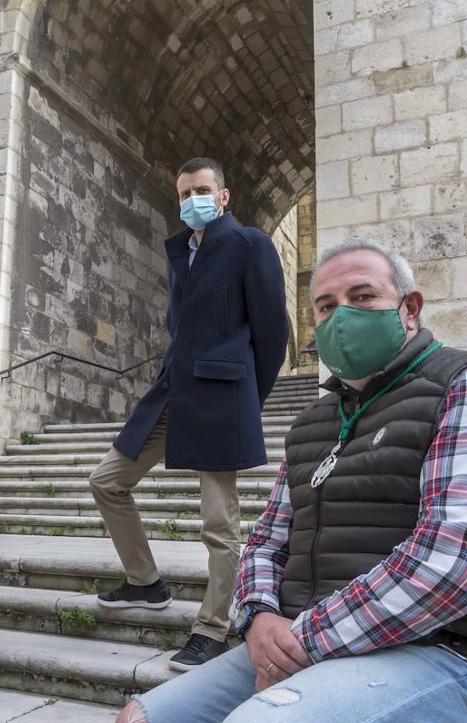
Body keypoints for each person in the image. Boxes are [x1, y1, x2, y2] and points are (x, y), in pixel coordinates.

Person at [110, 239, 467, 723]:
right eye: (326, 306)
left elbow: (454, 562)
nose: (342, 315)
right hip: (314, 643)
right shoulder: (315, 421)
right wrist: (260, 618)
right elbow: (266, 540)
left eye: (364, 296)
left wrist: (302, 641)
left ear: (410, 308)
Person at [90, 157, 289, 671]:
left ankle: (212, 628)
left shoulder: (250, 246)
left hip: (223, 397)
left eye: (201, 190)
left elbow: (272, 334)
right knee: (107, 480)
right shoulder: (183, 253)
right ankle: (145, 581)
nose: (191, 200)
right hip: (172, 393)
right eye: (184, 194)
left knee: (219, 525)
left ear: (223, 196)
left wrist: (248, 396)